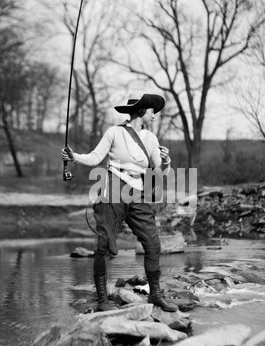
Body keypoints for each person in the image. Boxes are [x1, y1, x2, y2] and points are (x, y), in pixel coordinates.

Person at [61, 92, 178, 313]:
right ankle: (102, 299)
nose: (155, 115)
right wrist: (73, 156)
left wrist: (166, 161)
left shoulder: (152, 139)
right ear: (142, 111)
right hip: (113, 189)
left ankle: (155, 295)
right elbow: (95, 158)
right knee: (105, 245)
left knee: (153, 245)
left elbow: (159, 172)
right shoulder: (114, 132)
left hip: (138, 193)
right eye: (153, 111)